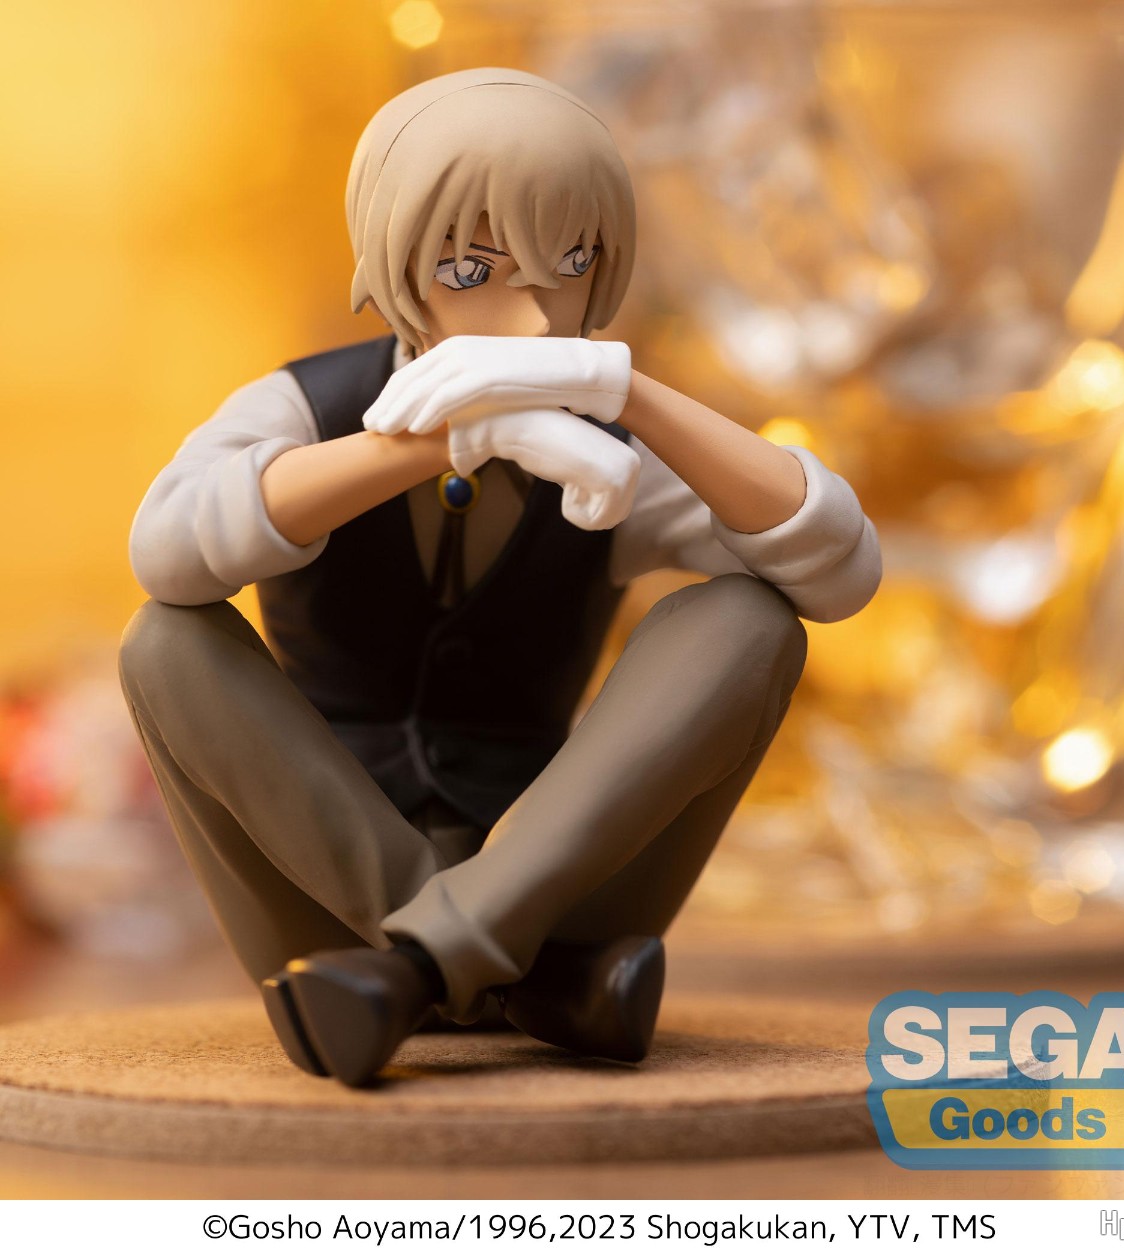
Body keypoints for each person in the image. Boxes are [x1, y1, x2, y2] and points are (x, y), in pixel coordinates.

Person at [119, 68, 882, 1087]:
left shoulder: (610, 438)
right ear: (394, 260)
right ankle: (512, 980)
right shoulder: (306, 408)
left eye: (570, 265)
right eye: (471, 270)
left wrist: (626, 391)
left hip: (560, 895)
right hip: (335, 920)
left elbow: (838, 575)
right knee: (166, 638)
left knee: (752, 620)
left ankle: (425, 967)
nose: (530, 320)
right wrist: (436, 437)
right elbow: (166, 551)